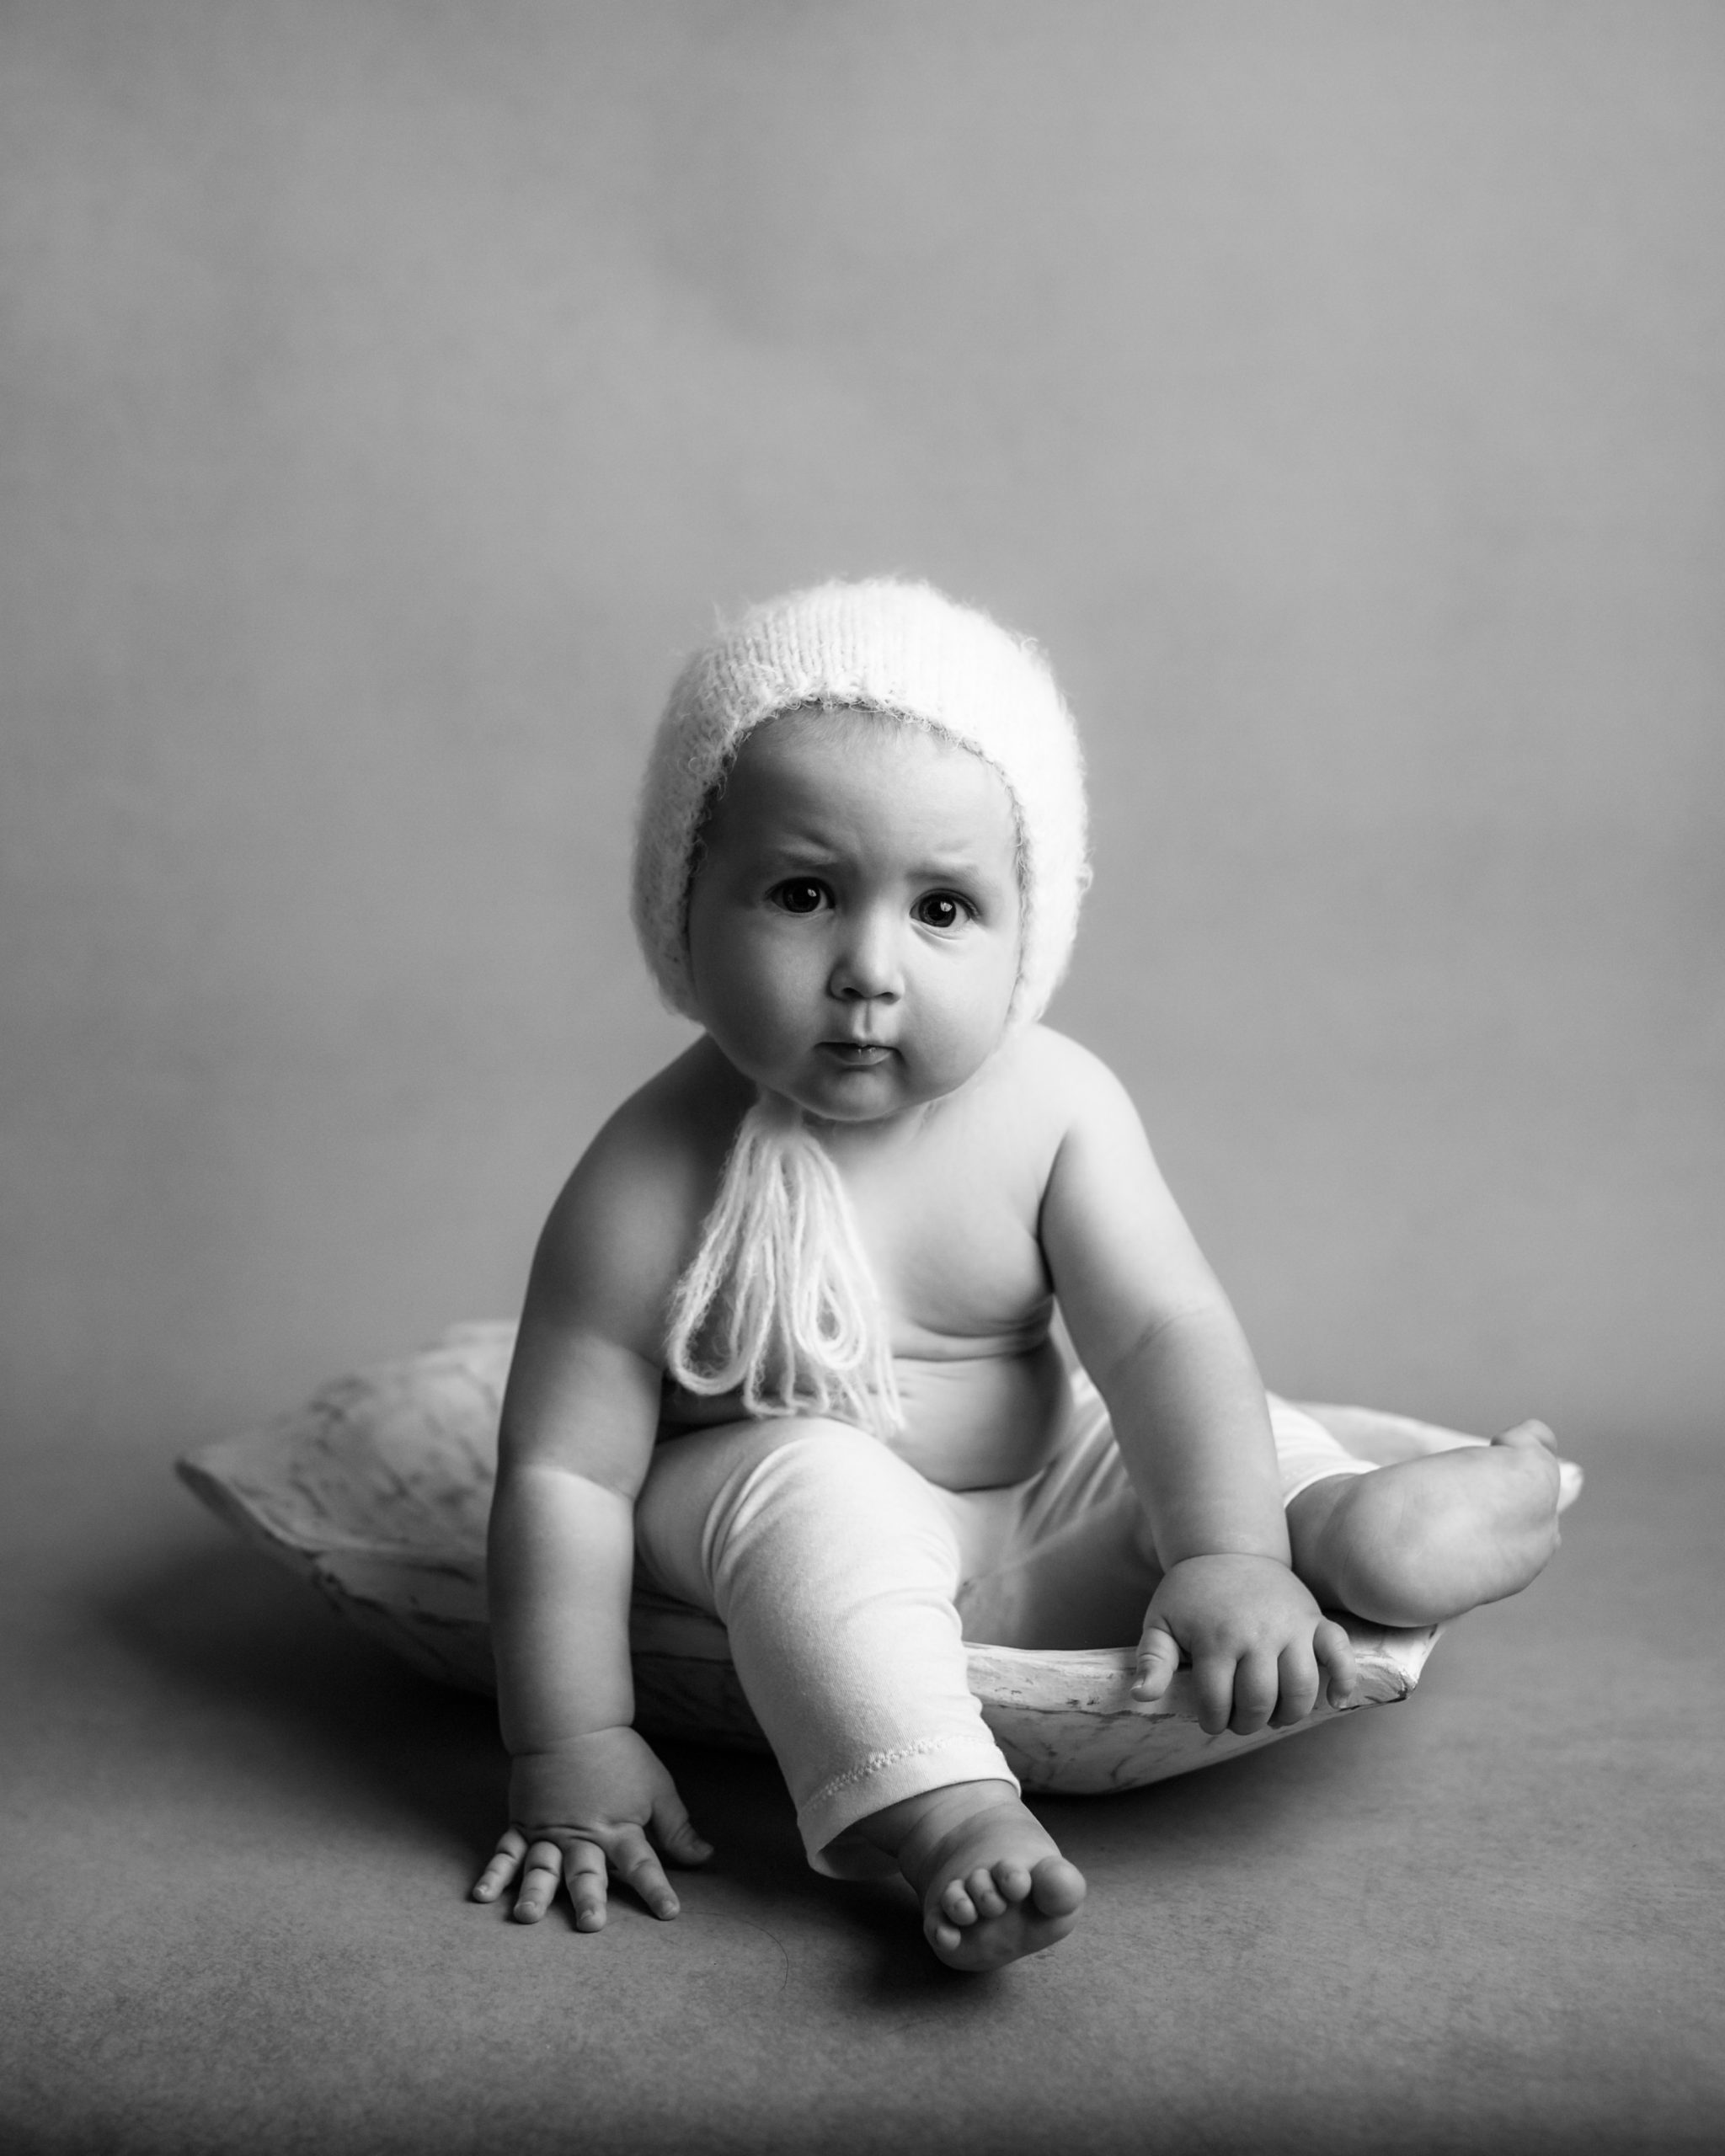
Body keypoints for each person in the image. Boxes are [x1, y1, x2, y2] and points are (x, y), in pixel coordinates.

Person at [470, 579, 1574, 1972]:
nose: (869, 970)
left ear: (1025, 937)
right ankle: (945, 1812)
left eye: (942, 907)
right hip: (810, 1542)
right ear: (684, 904)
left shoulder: (1051, 1106)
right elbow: (564, 1476)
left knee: (1197, 1436)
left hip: (1044, 1508)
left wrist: (1225, 1549)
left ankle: (1361, 1530)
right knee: (814, 1484)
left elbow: (1163, 1333)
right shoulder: (650, 1172)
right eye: (805, 893)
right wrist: (573, 1740)